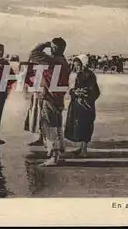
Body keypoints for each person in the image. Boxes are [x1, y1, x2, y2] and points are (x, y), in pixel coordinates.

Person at [28, 38, 70, 166]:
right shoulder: (64, 62)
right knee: (57, 126)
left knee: (49, 126)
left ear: (54, 48)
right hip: (58, 97)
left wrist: (44, 44)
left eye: (52, 47)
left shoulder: (52, 61)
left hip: (50, 97)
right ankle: (58, 152)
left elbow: (33, 54)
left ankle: (54, 155)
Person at [64, 55, 101, 157]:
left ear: (84, 64)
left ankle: (84, 151)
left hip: (85, 105)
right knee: (79, 126)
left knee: (85, 126)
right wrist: (74, 92)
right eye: (76, 66)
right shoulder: (80, 74)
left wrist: (83, 95)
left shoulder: (89, 75)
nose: (77, 68)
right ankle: (82, 148)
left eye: (79, 65)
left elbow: (93, 90)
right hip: (78, 104)